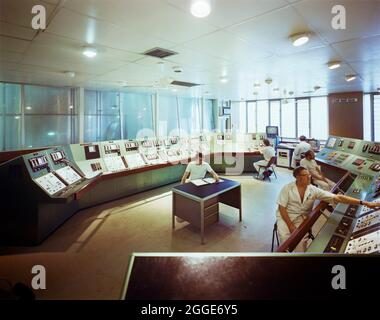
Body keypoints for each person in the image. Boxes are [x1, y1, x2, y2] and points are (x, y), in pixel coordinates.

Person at [276, 166, 380, 251]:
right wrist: (290, 225)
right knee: (286, 242)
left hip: (301, 219)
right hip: (285, 217)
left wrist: (364, 203)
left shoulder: (313, 190)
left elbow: (337, 197)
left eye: (309, 175)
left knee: (300, 244)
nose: (309, 177)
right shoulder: (287, 188)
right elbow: (282, 208)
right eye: (306, 175)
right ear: (298, 177)